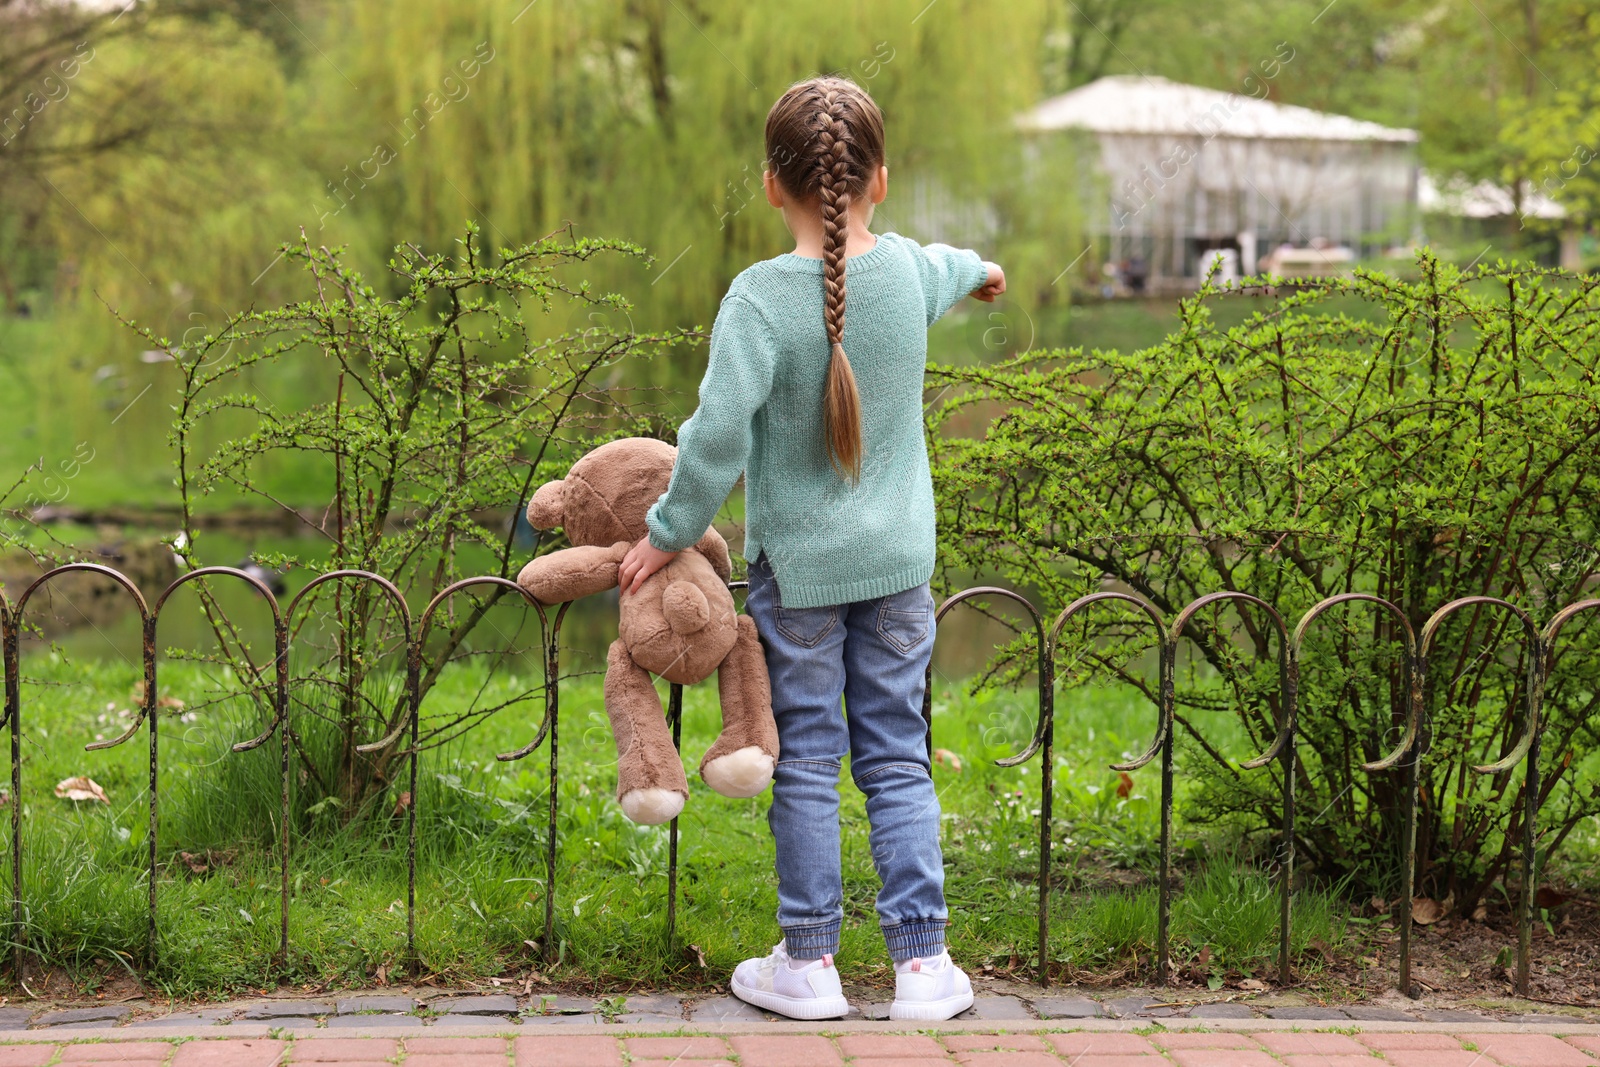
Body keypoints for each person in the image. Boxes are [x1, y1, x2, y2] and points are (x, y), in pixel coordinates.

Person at [616, 75, 1004, 1022]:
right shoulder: (909, 272)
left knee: (808, 757)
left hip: (800, 576)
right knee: (897, 757)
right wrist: (984, 268)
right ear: (881, 181)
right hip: (901, 569)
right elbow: (950, 265)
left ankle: (811, 962)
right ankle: (923, 967)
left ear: (769, 185)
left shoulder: (757, 299)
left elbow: (713, 439)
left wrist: (666, 535)